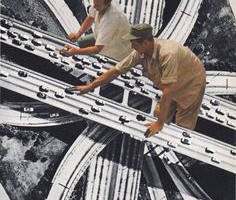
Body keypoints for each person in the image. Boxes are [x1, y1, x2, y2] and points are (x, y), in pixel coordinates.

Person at [67, 23, 206, 138]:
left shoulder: (167, 54)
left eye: (133, 43)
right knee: (159, 114)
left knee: (182, 126)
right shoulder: (141, 51)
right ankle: (165, 117)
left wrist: (159, 124)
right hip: (171, 82)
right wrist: (90, 87)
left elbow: (168, 91)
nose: (131, 46)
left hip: (191, 84)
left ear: (145, 42)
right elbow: (116, 71)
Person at [61, 0, 132, 61]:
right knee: (81, 42)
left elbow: (97, 49)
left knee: (96, 60)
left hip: (117, 50)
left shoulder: (110, 20)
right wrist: (78, 34)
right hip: (104, 36)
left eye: (97, 5)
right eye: (94, 2)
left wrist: (75, 51)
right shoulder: (101, 2)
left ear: (107, 4)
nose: (94, 6)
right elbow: (91, 17)